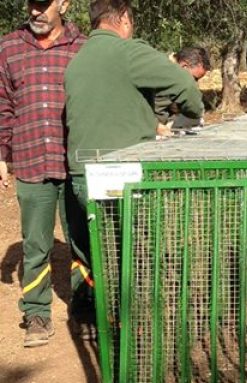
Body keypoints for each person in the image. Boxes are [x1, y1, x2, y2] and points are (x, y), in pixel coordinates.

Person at [63, 0, 204, 333]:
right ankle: (136, 329)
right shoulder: (127, 52)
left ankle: (102, 316)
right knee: (137, 250)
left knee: (102, 248)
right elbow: (186, 87)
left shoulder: (77, 61)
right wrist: (192, 112)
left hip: (82, 176)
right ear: (124, 19)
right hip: (122, 174)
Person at [0, 0, 87, 347]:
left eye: (44, 4)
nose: (35, 12)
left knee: (83, 240)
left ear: (64, 4)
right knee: (35, 245)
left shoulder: (84, 46)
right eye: (31, 4)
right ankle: (37, 313)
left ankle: (85, 308)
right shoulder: (10, 46)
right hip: (31, 159)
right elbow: (0, 104)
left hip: (75, 163)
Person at [155, 46, 210, 134]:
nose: (194, 84)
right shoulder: (158, 69)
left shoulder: (171, 71)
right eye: (194, 79)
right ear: (184, 66)